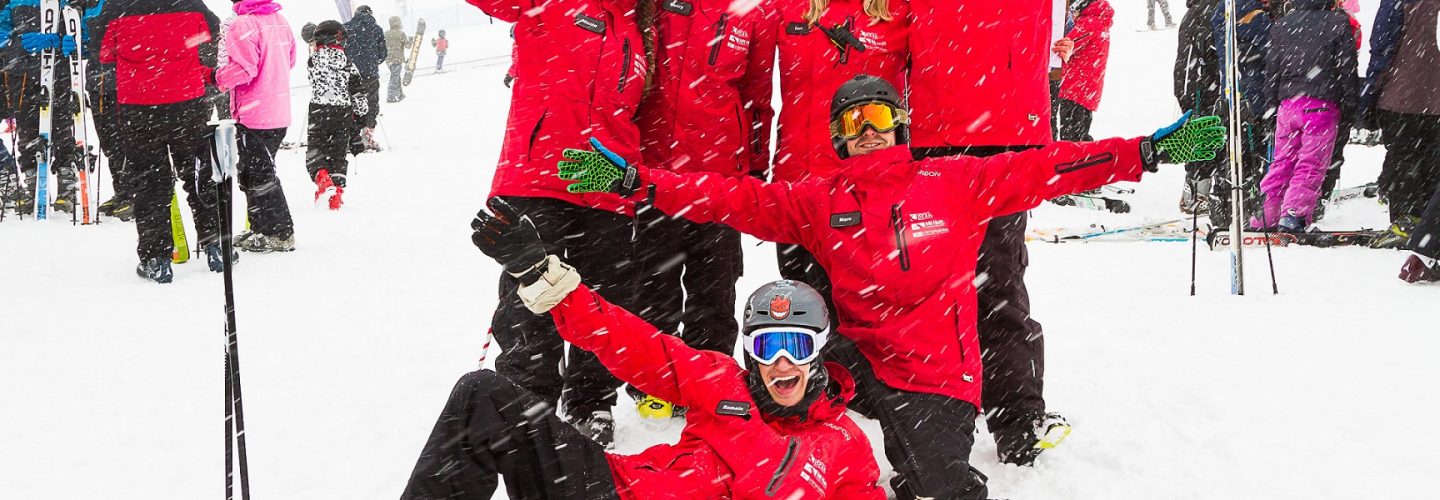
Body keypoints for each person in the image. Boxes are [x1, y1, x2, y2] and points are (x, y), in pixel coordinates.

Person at [557, 75, 1226, 500]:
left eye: (878, 115)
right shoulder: (820, 199)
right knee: (776, 359)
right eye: (852, 124)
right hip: (853, 358)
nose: (868, 130)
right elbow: (728, 199)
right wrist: (636, 183)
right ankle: (758, 470)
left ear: (900, 123)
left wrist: (1146, 150)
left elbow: (1052, 166)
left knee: (935, 488)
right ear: (839, 141)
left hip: (934, 379)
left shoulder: (955, 181)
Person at [402, 204, 885, 498]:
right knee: (482, 395)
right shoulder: (719, 380)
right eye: (767, 345)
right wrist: (537, 271)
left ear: (818, 352)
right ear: (749, 352)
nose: (782, 362)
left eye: (796, 346)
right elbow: (629, 342)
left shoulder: (843, 445)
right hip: (609, 492)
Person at [461, 0, 648, 447]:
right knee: (532, 296)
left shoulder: (638, 25)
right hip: (538, 175)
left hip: (605, 182)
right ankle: (527, 402)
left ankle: (591, 402)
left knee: (606, 298)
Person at [907, 0, 1070, 470]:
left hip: (1004, 136)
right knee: (943, 281)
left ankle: (1014, 413)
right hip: (940, 137)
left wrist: (1055, 56)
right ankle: (947, 404)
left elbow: (1057, 48)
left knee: (996, 278)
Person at [628, 0, 776, 419]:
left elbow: (757, 97)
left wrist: (754, 169)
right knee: (654, 282)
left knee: (715, 284)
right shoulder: (651, 5)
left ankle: (709, 378)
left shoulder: (752, 12)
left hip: (720, 179)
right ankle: (653, 381)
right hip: (654, 170)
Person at [765, 0, 909, 349]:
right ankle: (811, 391)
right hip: (798, 186)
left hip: (867, 192)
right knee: (803, 304)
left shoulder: (899, 13)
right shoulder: (788, 10)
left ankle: (873, 393)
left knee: (867, 308)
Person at [95, 0, 223, 283]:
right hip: (186, 99)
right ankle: (215, 245)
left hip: (138, 104)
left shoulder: (116, 7)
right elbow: (212, 31)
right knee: (198, 173)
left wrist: (143, 56)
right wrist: (181, 48)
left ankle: (157, 257)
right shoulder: (189, 2)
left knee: (149, 182)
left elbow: (104, 53)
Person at [1254, 0, 1357, 232]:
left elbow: (1272, 69)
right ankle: (1293, 214)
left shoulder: (1282, 25)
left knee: (1282, 162)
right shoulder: (1338, 24)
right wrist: (1351, 103)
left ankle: (1267, 214)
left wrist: (1271, 103)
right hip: (1321, 106)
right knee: (1310, 163)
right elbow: (1346, 68)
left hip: (1287, 105)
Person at [216, 0, 298, 252]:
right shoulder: (279, 21)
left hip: (255, 113)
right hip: (277, 109)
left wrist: (216, 77)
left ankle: (281, 233)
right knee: (253, 172)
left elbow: (243, 69)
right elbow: (291, 59)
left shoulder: (243, 24)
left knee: (260, 175)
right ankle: (260, 228)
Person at [1360, 0, 1440, 249]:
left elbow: (1383, 47)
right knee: (1433, 161)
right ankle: (1430, 226)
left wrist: (1370, 91)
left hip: (1400, 95)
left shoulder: (1397, 2)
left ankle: (1406, 222)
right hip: (1436, 99)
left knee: (1403, 158)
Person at [0, 0, 87, 216]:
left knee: (62, 127)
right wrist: (16, 45)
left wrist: (66, 42)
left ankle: (67, 186)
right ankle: (33, 186)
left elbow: (84, 32)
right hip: (23, 74)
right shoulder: (14, 3)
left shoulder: (68, 2)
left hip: (59, 72)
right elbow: (2, 32)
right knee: (28, 129)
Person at [305, 21, 368, 211]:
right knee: (338, 152)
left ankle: (323, 179)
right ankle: (337, 195)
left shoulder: (312, 61)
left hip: (318, 110)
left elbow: (314, 80)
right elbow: (358, 92)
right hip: (343, 112)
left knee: (317, 149)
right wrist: (361, 116)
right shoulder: (348, 63)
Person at [1175, 0, 1223, 217]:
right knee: (1205, 136)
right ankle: (1197, 193)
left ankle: (1197, 190)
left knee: (1202, 136)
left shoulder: (1197, 11)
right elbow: (1209, 51)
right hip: (1200, 85)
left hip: (1193, 84)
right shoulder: (1207, 12)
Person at [1054, 0, 1113, 142]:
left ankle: (1079, 162)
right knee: (1081, 134)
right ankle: (1088, 160)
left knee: (1071, 139)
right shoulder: (1101, 22)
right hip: (1088, 89)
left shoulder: (1088, 23)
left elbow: (1064, 46)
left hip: (1076, 88)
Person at [343, 5, 386, 152]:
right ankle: (367, 135)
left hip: (350, 74)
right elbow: (383, 54)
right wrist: (372, 62)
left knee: (352, 103)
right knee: (371, 104)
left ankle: (352, 137)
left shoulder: (346, 29)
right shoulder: (376, 29)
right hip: (370, 74)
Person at [383, 16, 406, 103]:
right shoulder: (401, 34)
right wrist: (411, 40)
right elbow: (407, 45)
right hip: (397, 58)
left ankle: (400, 94)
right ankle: (391, 96)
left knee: (395, 75)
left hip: (389, 59)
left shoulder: (385, 34)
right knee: (395, 77)